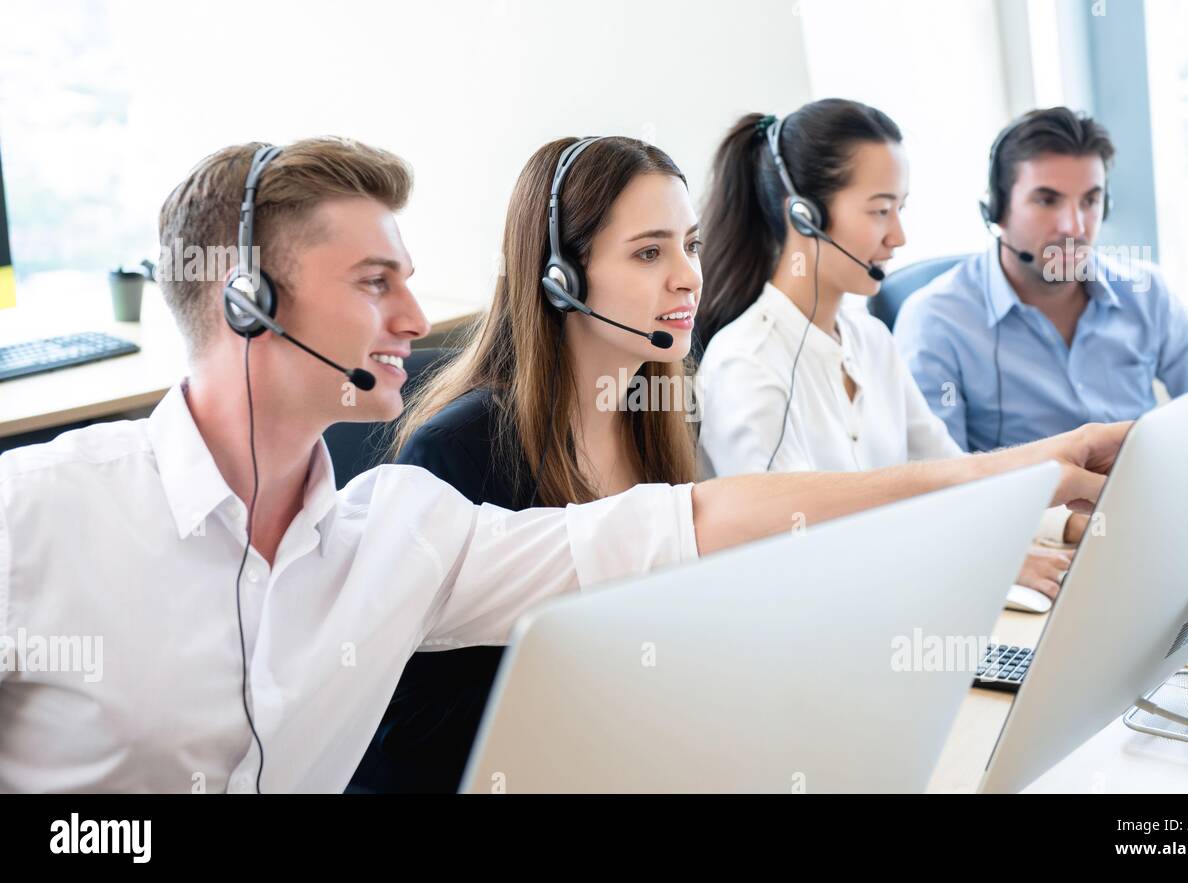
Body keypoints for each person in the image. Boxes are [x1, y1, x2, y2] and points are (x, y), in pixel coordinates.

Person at [0, 135, 1126, 793]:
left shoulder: (400, 533)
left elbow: (698, 522)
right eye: (371, 282)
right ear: (246, 302)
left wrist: (1014, 471)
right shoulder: (38, 512)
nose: (413, 311)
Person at [350, 135, 702, 792]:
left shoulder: (661, 416)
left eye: (692, 244)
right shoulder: (457, 453)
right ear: (560, 278)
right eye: (650, 251)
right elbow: (406, 738)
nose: (687, 275)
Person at [694, 99, 1086, 571]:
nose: (898, 236)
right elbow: (790, 551)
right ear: (803, 216)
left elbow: (948, 473)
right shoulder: (747, 363)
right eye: (881, 211)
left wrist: (1063, 524)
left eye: (899, 209)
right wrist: (979, 555)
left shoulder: (870, 338)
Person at [893, 107, 1188, 452]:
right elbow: (937, 480)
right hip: (1024, 506)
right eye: (1047, 200)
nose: (1074, 226)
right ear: (996, 209)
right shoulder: (936, 322)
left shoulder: (1146, 293)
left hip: (1146, 498)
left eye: (1090, 201)